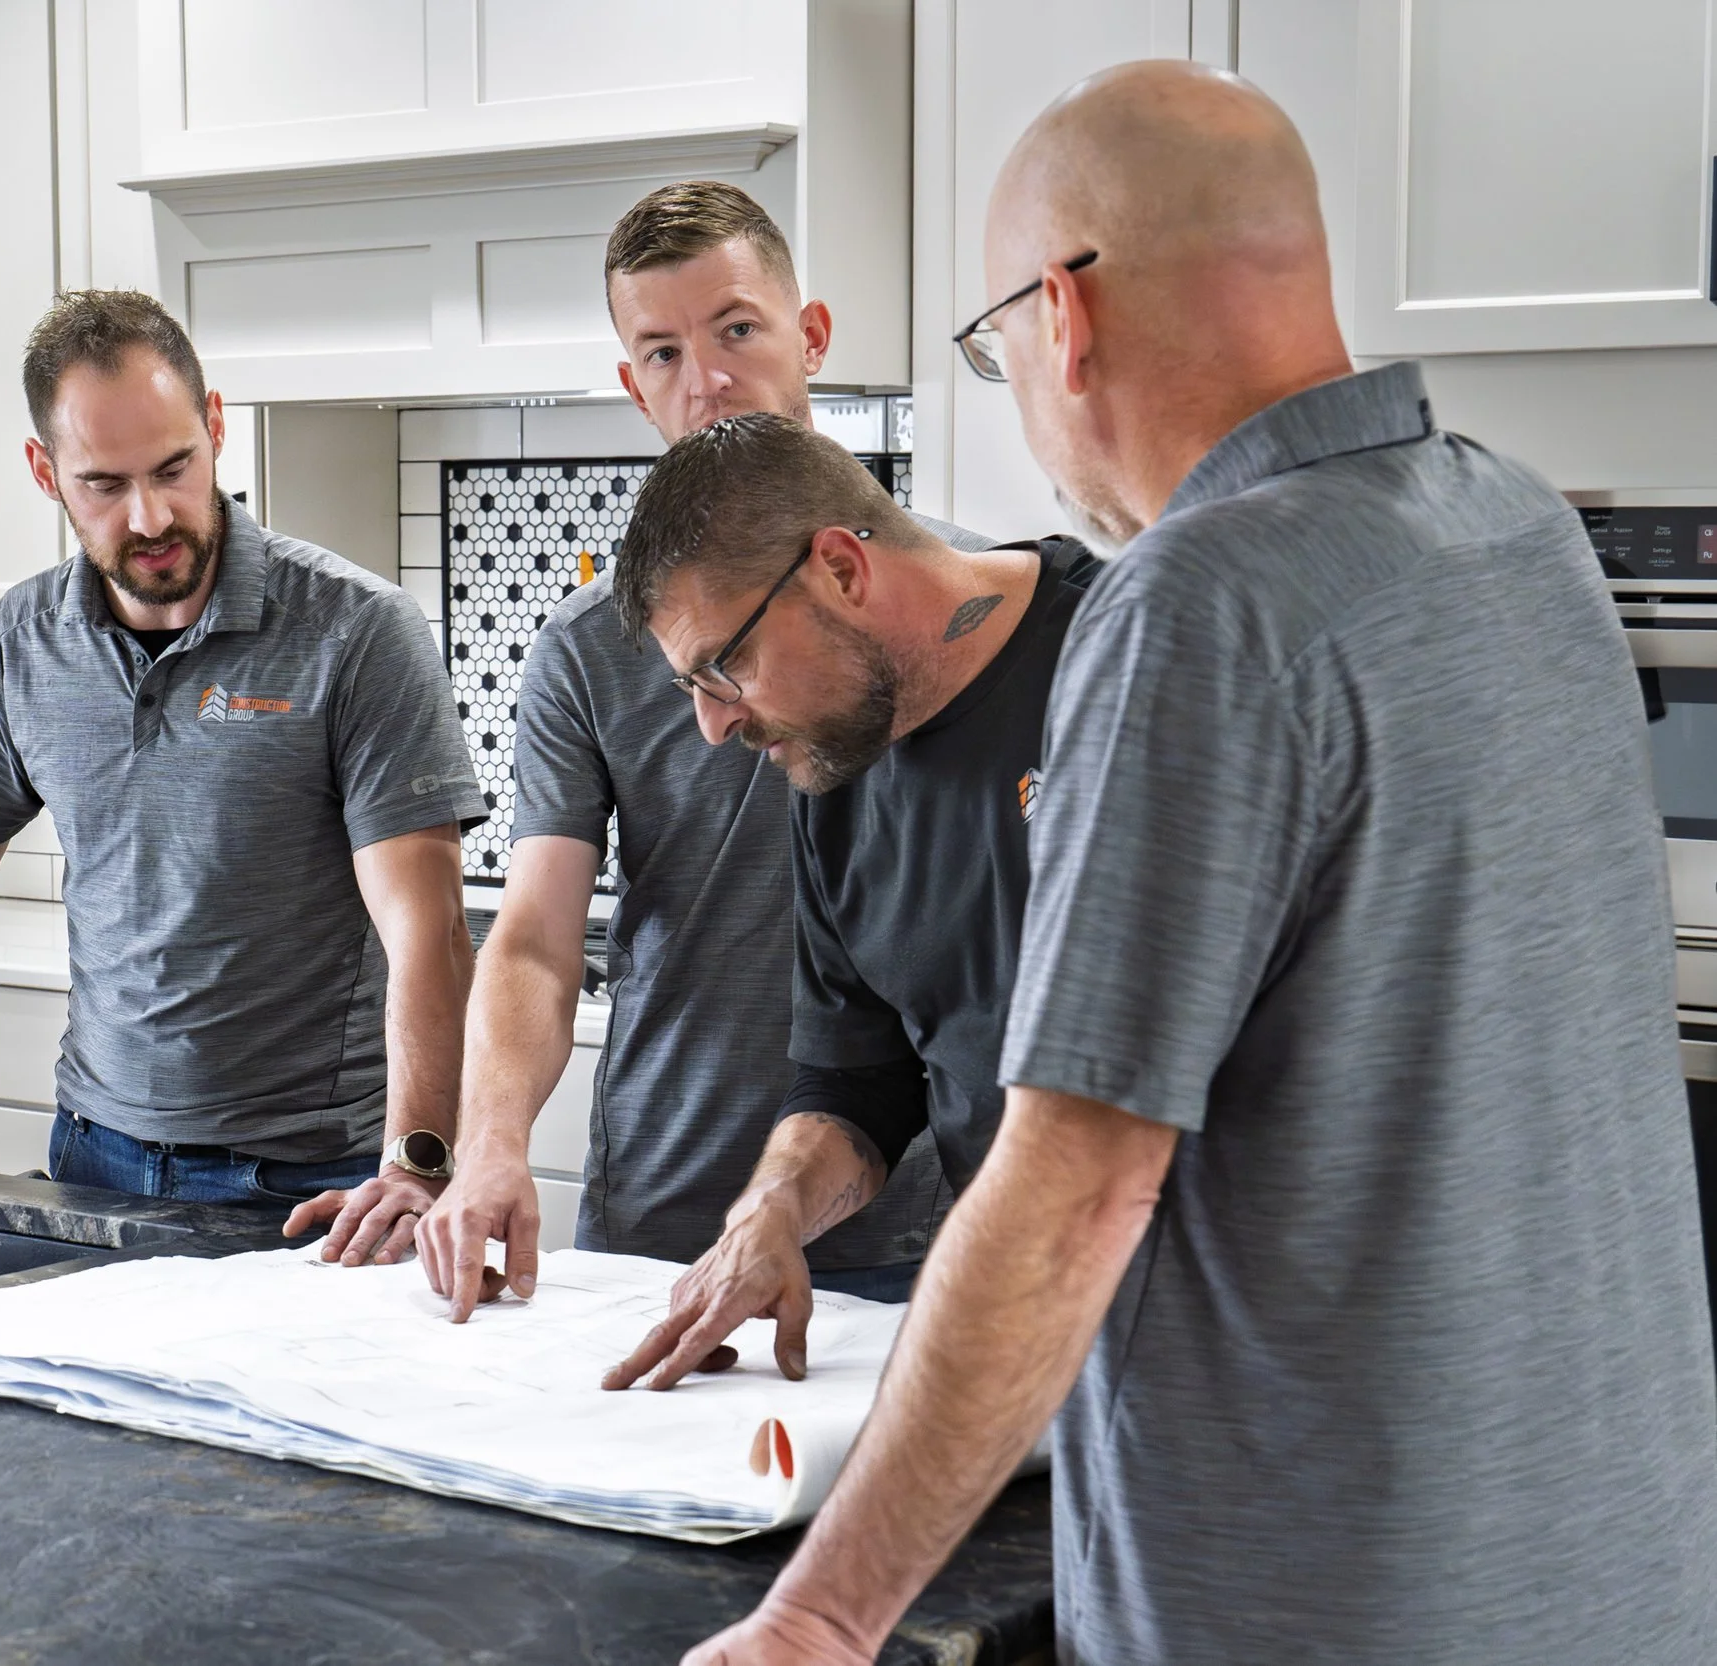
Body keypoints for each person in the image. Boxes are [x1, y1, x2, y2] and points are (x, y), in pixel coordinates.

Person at [686, 62, 1717, 1666]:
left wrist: (820, 1616)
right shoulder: (1520, 529)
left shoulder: (1196, 607)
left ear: (1064, 319)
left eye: (997, 345)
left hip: (1326, 1599)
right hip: (1608, 1558)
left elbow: (1076, 1182)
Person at [0, 290, 484, 1268]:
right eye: (104, 483)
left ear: (215, 429)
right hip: (92, 1157)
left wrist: (419, 1162)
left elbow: (423, 918)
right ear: (46, 474)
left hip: (308, 1183)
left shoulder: (354, 631)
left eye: (175, 467)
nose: (151, 515)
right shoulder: (27, 636)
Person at [416, 181, 992, 1325]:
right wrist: (485, 1142)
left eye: (736, 329)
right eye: (664, 351)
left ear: (810, 336)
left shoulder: (957, 603)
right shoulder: (586, 649)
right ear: (633, 385)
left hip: (907, 1229)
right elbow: (532, 939)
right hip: (658, 1224)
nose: (708, 380)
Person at [600, 415, 1093, 1392]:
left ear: (838, 568)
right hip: (1020, 1342)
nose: (713, 723)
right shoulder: (833, 773)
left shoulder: (1123, 662)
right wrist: (773, 1209)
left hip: (1222, 1333)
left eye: (722, 666)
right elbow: (858, 1081)